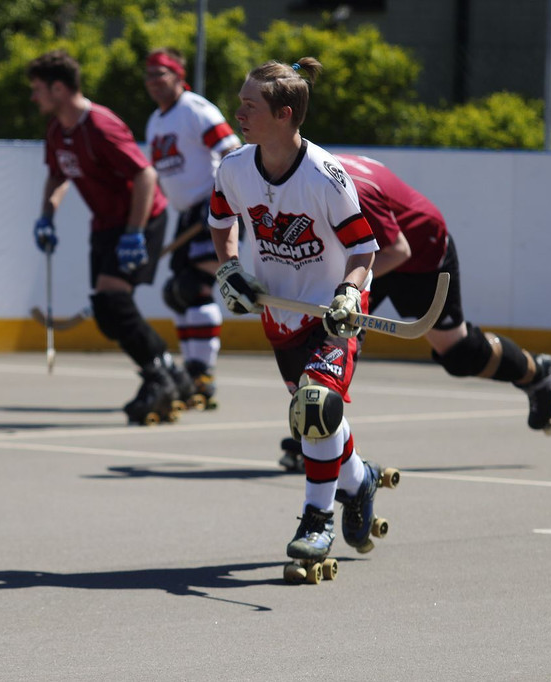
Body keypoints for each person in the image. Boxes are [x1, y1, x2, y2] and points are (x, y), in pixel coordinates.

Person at [208, 58, 398, 572]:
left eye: (250, 105)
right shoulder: (233, 168)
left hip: (334, 310)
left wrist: (348, 295)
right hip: (281, 311)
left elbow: (364, 250)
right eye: (241, 102)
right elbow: (221, 221)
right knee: (314, 418)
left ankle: (317, 521)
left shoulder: (324, 176)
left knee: (315, 406)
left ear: (284, 114)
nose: (238, 113)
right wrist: (229, 268)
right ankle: (360, 481)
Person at [277, 153, 551, 468]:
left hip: (418, 255)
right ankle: (317, 432)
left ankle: (536, 372)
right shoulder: (293, 180)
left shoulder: (345, 187)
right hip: (365, 256)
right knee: (322, 335)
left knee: (459, 354)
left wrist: (344, 291)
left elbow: (397, 250)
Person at [27, 49, 194, 425]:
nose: (33, 96)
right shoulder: (56, 131)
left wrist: (134, 233)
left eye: (38, 88)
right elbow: (57, 175)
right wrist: (46, 216)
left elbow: (145, 175)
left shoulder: (100, 125)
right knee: (106, 313)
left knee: (113, 299)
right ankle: (172, 372)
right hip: (104, 224)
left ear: (58, 88)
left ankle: (158, 380)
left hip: (140, 219)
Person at [144, 47, 242, 409]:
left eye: (161, 74)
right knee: (176, 294)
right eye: (149, 76)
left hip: (213, 209)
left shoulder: (194, 109)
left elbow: (233, 151)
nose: (154, 82)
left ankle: (202, 374)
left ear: (178, 75)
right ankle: (191, 374)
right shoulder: (155, 121)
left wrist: (221, 198)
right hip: (187, 215)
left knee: (195, 288)